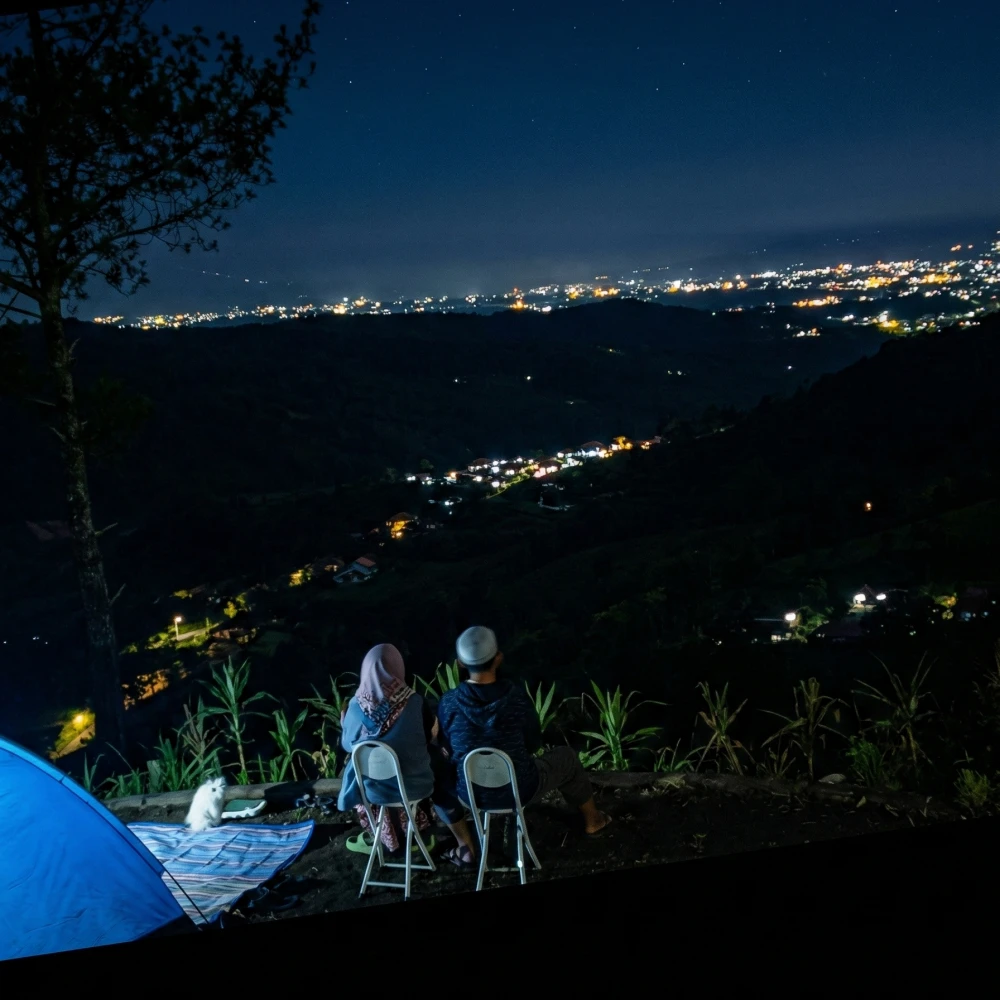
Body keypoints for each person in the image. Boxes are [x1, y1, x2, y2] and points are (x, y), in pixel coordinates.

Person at [436, 626, 611, 849]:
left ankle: (465, 846)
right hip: (520, 788)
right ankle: (594, 821)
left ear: (460, 663)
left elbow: (447, 744)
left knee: (438, 776)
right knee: (567, 757)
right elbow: (533, 744)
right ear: (498, 658)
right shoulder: (516, 699)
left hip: (469, 793)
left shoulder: (449, 702)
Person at [338, 643, 477, 863]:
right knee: (438, 764)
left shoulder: (355, 706)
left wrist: (344, 725)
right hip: (415, 786)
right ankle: (462, 843)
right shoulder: (415, 702)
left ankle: (385, 836)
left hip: (372, 791)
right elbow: (429, 736)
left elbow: (348, 746)